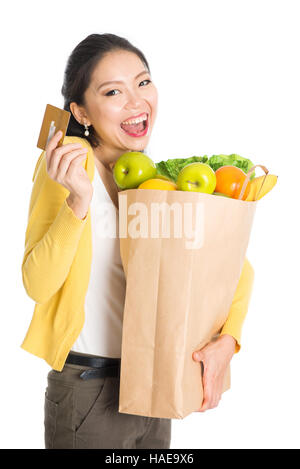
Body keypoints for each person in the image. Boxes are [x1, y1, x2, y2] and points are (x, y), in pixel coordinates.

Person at [21, 33, 254, 449]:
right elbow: (36, 284)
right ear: (81, 112)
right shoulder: (69, 163)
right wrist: (77, 202)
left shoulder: (150, 178)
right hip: (88, 392)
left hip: (154, 383)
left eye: (143, 83)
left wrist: (229, 340)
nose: (136, 101)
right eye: (113, 91)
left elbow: (233, 264)